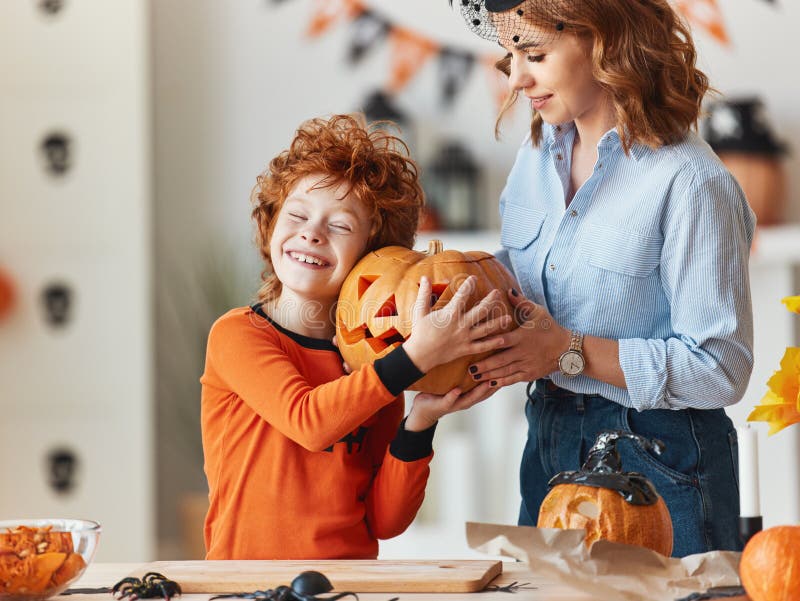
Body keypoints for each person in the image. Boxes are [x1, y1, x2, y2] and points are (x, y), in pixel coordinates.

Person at [452, 0, 755, 556]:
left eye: (534, 54)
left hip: (660, 458)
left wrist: (566, 350)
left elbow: (721, 368)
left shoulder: (690, 182)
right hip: (549, 432)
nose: (515, 78)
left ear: (605, 40)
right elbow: (536, 278)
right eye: (510, 55)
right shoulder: (538, 152)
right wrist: (457, 283)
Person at [200, 114, 509, 559]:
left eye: (340, 225)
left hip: (349, 586)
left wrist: (420, 422)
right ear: (270, 225)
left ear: (374, 254)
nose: (312, 232)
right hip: (245, 586)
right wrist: (414, 358)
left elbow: (386, 521)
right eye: (298, 214)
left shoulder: (374, 365)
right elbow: (309, 422)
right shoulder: (239, 335)